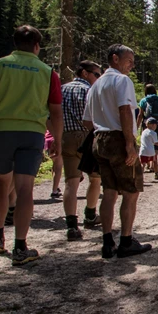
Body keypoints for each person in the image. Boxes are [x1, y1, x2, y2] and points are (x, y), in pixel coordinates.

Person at [0, 25, 62, 266]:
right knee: (26, 188)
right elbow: (55, 112)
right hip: (32, 133)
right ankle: (21, 246)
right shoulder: (47, 72)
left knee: (1, 182)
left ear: (15, 43)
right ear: (37, 46)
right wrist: (57, 140)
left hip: (1, 130)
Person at [82, 44, 151, 259]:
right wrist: (129, 144)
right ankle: (126, 242)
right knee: (131, 191)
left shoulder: (95, 85)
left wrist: (102, 127)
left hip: (98, 139)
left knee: (109, 192)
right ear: (115, 58)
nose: (132, 65)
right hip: (118, 139)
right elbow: (124, 110)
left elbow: (86, 121)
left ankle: (107, 241)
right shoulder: (122, 81)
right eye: (129, 60)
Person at [60, 60, 103, 239]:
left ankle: (71, 225)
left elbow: (51, 115)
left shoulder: (61, 89)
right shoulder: (91, 91)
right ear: (85, 73)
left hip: (67, 136)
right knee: (95, 179)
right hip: (88, 136)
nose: (98, 78)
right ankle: (90, 214)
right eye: (96, 74)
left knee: (71, 182)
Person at [45, 129, 63, 199]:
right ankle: (54, 191)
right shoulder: (60, 119)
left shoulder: (49, 119)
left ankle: (56, 186)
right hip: (56, 140)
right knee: (58, 166)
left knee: (55, 164)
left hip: (48, 140)